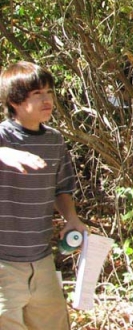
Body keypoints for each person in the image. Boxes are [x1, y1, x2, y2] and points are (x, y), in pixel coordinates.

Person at [0, 61, 87, 330]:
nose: (47, 99)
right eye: (37, 94)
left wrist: (71, 219)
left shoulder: (54, 140)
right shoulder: (2, 137)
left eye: (49, 92)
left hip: (41, 260)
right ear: (14, 100)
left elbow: (62, 187)